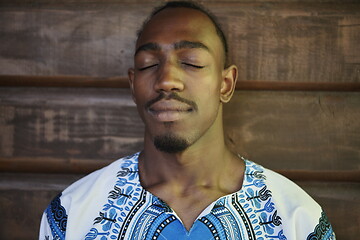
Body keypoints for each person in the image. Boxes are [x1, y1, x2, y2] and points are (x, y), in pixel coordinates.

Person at [39, 1, 336, 239]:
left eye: (191, 62)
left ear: (226, 84)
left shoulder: (297, 219)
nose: (167, 80)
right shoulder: (73, 215)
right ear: (133, 85)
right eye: (149, 65)